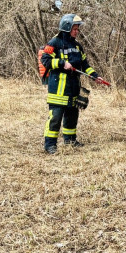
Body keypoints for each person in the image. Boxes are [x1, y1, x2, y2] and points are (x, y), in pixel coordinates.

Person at [40, 13, 107, 154]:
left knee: (72, 115)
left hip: (73, 87)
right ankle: (50, 145)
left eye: (77, 29)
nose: (77, 32)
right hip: (58, 88)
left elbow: (84, 65)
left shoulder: (77, 46)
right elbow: (45, 60)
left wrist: (95, 76)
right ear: (66, 27)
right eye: (74, 29)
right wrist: (61, 63)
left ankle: (70, 140)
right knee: (55, 117)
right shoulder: (54, 43)